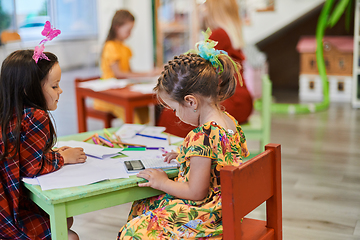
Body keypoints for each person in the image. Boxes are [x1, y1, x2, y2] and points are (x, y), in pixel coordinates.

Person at [117, 35, 249, 239]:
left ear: (191, 102)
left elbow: (197, 192)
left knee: (133, 231)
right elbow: (217, 160)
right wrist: (185, 155)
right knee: (145, 205)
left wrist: (162, 181)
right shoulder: (229, 122)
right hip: (229, 209)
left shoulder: (201, 136)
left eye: (174, 109)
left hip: (208, 217)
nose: (176, 115)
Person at [0, 49, 87, 240]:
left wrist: (51, 154)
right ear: (28, 88)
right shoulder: (35, 116)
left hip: (6, 206)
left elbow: (23, 158)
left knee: (65, 220)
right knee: (70, 234)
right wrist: (62, 157)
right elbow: (32, 168)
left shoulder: (8, 111)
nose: (60, 90)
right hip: (8, 219)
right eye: (55, 86)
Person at [156, 0, 253, 138]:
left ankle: (177, 148)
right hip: (240, 99)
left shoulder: (219, 34)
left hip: (232, 99)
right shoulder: (228, 32)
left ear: (216, 10)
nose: (203, 9)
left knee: (172, 113)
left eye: (206, 6)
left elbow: (196, 67)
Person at [94, 9, 160, 124]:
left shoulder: (125, 48)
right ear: (117, 27)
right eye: (128, 30)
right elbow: (119, 74)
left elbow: (129, 72)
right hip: (109, 94)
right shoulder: (110, 46)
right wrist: (149, 73)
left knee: (144, 110)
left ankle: (143, 137)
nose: (130, 34)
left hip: (123, 89)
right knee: (135, 119)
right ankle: (135, 137)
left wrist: (145, 77)